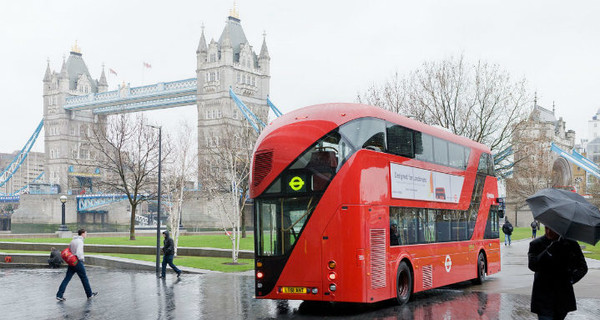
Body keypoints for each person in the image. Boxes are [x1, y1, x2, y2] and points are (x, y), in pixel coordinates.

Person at [528, 225, 588, 320]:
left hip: (562, 296)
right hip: (543, 296)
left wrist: (570, 280)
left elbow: (582, 267)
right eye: (546, 228)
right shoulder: (536, 244)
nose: (548, 232)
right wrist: (548, 251)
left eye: (552, 229)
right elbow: (533, 265)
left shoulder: (570, 244)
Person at [56, 229, 98, 301]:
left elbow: (70, 250)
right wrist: (82, 259)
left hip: (71, 261)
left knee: (67, 279)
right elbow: (79, 253)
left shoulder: (73, 241)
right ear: (82, 234)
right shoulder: (80, 241)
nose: (86, 235)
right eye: (85, 233)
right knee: (84, 278)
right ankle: (89, 294)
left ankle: (59, 295)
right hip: (77, 261)